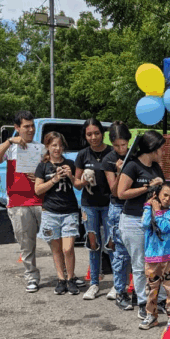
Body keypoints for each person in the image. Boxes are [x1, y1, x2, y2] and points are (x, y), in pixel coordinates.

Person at [0, 111, 45, 293]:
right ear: (17, 128)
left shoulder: (41, 149)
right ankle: (32, 277)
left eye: (32, 126)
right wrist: (9, 142)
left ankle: (64, 275)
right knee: (26, 245)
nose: (30, 129)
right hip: (19, 203)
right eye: (26, 126)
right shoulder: (10, 149)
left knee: (55, 241)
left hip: (42, 201)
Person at [117, 130, 166, 320]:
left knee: (156, 262)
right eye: (161, 148)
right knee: (139, 264)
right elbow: (122, 193)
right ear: (152, 148)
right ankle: (143, 302)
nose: (163, 151)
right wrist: (147, 187)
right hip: (133, 220)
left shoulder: (156, 167)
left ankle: (159, 299)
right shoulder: (132, 166)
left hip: (152, 220)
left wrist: (162, 186)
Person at [34, 131, 81, 296]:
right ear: (47, 146)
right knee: (56, 249)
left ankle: (71, 278)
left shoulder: (70, 163)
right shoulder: (43, 166)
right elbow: (38, 190)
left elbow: (79, 186)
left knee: (68, 248)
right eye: (54, 145)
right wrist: (53, 179)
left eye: (60, 145)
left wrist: (70, 176)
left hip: (70, 211)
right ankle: (61, 279)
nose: (57, 148)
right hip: (50, 212)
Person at [74, 118, 114, 301]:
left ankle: (117, 284)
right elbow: (76, 184)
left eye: (96, 133)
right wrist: (83, 181)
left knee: (112, 243)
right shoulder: (83, 155)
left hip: (109, 204)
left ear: (102, 133)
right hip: (89, 205)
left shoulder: (112, 152)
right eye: (89, 134)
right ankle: (94, 283)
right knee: (93, 243)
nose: (93, 137)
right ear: (85, 136)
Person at [139, 181, 170, 330]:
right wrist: (148, 207)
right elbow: (144, 225)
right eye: (164, 195)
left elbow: (164, 228)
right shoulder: (149, 210)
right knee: (151, 289)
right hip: (152, 258)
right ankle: (151, 315)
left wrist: (157, 212)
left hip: (169, 258)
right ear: (157, 195)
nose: (167, 199)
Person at [103, 121, 133, 310]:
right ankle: (120, 291)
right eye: (117, 146)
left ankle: (140, 292)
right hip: (118, 208)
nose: (121, 149)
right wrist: (120, 172)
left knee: (140, 253)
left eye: (124, 145)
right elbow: (114, 191)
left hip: (137, 207)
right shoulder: (109, 159)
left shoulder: (136, 154)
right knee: (120, 253)